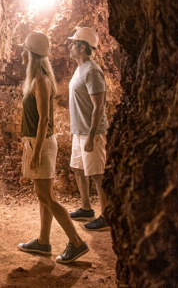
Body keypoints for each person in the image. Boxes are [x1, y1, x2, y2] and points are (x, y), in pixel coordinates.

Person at [16, 31, 90, 264]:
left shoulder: (40, 81)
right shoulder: (37, 79)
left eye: (24, 50)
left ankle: (77, 242)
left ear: (31, 54)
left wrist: (36, 152)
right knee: (43, 196)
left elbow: (43, 120)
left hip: (42, 144)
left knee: (46, 196)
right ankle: (43, 242)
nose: (21, 54)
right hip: (37, 142)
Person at [66, 27, 111, 231]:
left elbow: (99, 106)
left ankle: (107, 216)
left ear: (82, 47)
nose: (70, 46)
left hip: (91, 132)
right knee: (78, 168)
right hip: (80, 130)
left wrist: (92, 136)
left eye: (73, 44)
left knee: (97, 174)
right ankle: (86, 208)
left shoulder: (92, 71)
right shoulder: (80, 68)